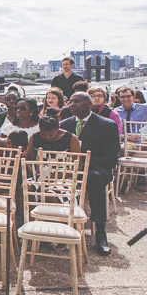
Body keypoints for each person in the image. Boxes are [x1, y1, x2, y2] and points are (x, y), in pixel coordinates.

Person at [59, 92, 119, 255]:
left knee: (94, 179)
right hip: (69, 169)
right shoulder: (64, 124)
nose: (72, 104)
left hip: (97, 168)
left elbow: (110, 158)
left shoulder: (107, 125)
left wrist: (82, 165)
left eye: (77, 102)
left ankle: (100, 232)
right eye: (71, 101)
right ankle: (57, 225)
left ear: (89, 104)